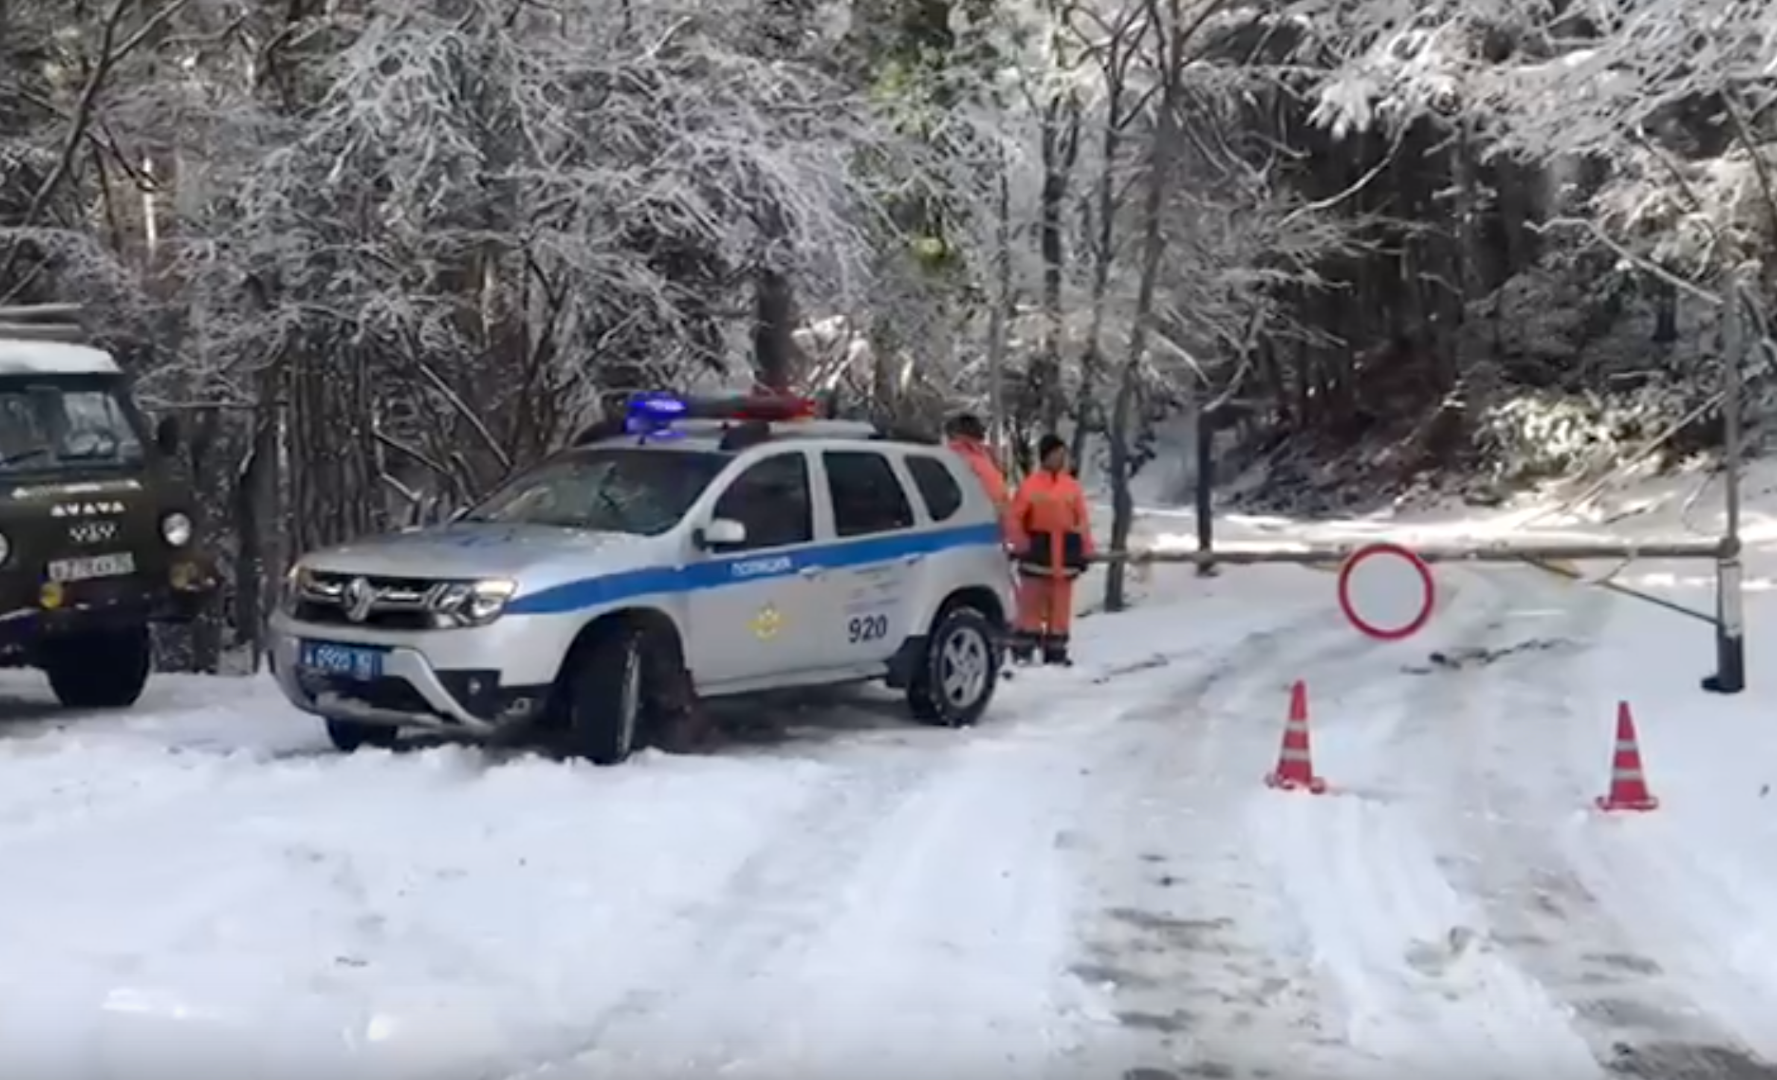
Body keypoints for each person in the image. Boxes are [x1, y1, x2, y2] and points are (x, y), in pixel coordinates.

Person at [1006, 434, 1093, 665]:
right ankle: (1024, 651)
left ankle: (1056, 652)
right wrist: (1022, 543)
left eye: (1063, 455)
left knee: (1060, 608)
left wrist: (1085, 549)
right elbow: (1014, 518)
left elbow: (1082, 520)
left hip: (1065, 555)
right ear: (1045, 456)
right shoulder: (1030, 485)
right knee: (1030, 606)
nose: (1060, 459)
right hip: (1038, 552)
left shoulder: (1071, 487)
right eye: (1056, 454)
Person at [944, 412, 1010, 533]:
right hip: (978, 524)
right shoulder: (956, 456)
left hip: (992, 522)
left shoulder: (982, 454)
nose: (982, 430)